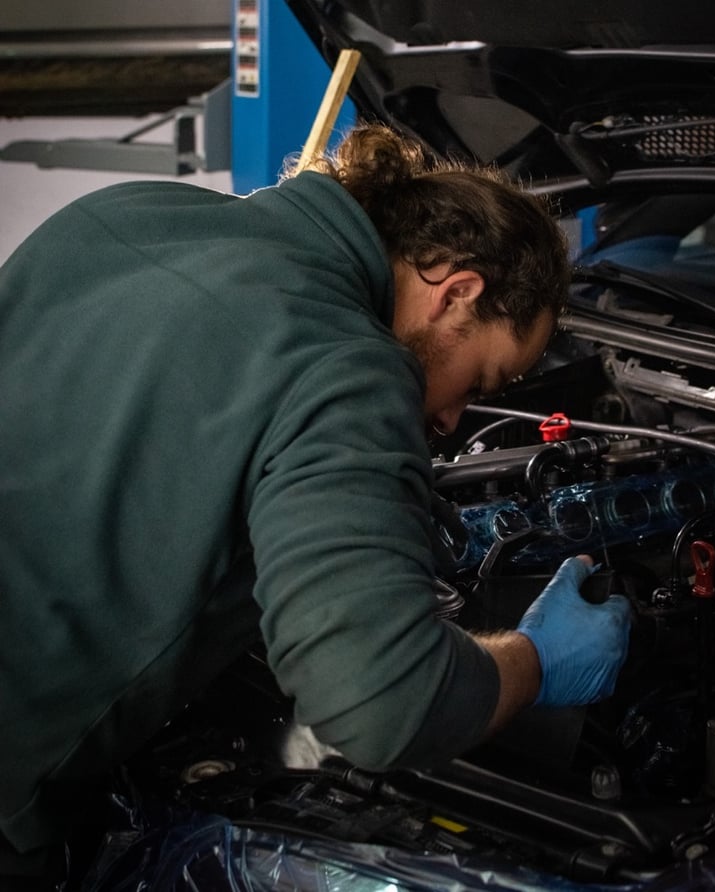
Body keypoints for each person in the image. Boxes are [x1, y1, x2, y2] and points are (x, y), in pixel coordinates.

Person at [0, 123, 631, 887]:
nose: (456, 423)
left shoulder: (125, 214)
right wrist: (536, 662)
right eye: (482, 383)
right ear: (457, 292)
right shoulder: (344, 373)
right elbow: (383, 704)